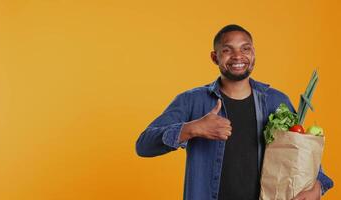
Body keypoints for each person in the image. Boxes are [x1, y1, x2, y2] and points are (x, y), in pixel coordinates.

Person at [135, 24, 333, 200]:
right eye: (227, 50)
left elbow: (303, 153)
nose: (238, 56)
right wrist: (193, 128)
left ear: (253, 53)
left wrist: (318, 186)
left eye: (245, 48)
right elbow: (144, 146)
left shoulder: (276, 101)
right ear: (215, 57)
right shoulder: (191, 100)